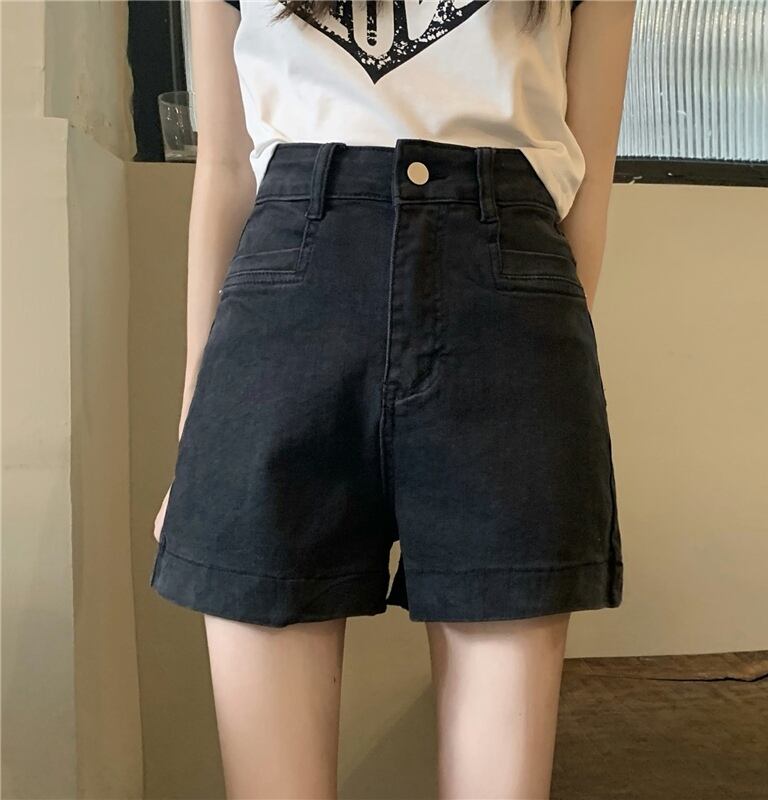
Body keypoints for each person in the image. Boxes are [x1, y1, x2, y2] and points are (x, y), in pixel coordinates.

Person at [149, 1, 636, 797]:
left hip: (507, 297)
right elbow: (226, 169)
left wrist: (549, 355)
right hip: (286, 294)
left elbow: (589, 179)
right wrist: (194, 430)